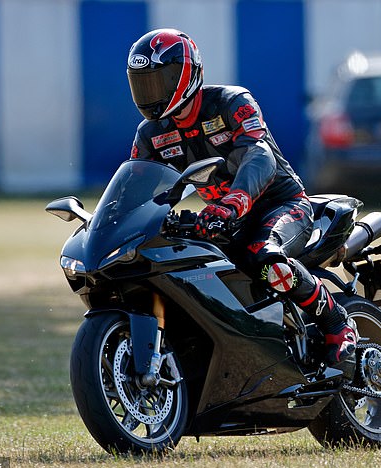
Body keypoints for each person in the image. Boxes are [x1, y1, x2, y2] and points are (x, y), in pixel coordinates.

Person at [126, 28, 355, 368]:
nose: (151, 92)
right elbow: (136, 182)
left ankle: (338, 325)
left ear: (187, 74)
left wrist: (236, 200)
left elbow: (258, 153)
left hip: (281, 205)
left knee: (265, 259)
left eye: (160, 80)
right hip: (224, 217)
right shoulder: (151, 133)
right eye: (143, 82)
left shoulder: (232, 102)